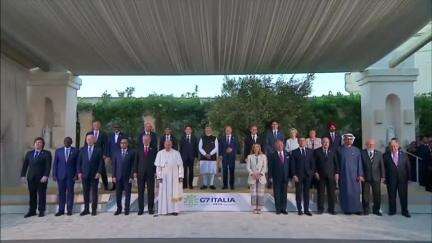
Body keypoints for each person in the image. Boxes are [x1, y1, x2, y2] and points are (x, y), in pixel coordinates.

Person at [20, 137, 52, 218]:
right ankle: (32, 211)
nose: (38, 144)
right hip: (31, 178)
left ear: (43, 144)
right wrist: (23, 175)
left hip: (41, 178)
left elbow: (48, 166)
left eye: (40, 142)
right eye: (36, 142)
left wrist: (46, 176)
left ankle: (41, 210)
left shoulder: (47, 153)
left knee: (41, 194)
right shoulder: (29, 153)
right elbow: (25, 166)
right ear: (34, 144)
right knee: (32, 195)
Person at [155, 140, 184, 216]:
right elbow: (158, 167)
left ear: (171, 145)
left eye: (169, 145)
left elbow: (180, 166)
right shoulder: (160, 153)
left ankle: (175, 210)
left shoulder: (176, 153)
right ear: (164, 145)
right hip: (164, 177)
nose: (168, 146)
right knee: (164, 194)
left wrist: (180, 176)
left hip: (175, 176)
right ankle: (164, 210)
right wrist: (159, 177)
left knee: (175, 193)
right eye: (166, 144)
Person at [77, 134, 104, 216]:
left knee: (94, 193)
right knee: (85, 193)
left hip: (94, 175)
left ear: (94, 140)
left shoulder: (98, 150)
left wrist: (99, 172)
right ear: (86, 140)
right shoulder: (82, 150)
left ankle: (94, 210)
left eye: (91, 139)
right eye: (87, 139)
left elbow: (101, 163)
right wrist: (79, 172)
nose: (89, 140)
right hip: (84, 175)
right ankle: (86, 209)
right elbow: (79, 162)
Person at [384, 138, 411, 217]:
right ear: (389, 146)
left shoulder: (404, 155)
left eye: (395, 146)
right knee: (392, 195)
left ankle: (405, 211)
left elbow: (408, 167)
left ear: (398, 145)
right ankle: (392, 211)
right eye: (392, 146)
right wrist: (384, 178)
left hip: (402, 179)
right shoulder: (385, 156)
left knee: (403, 195)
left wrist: (409, 178)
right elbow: (384, 168)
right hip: (391, 179)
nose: (393, 148)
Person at [338, 133, 364, 215]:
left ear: (352, 140)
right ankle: (347, 209)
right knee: (345, 192)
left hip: (355, 176)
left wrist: (360, 174)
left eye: (350, 139)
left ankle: (357, 209)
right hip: (344, 175)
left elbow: (360, 163)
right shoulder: (339, 150)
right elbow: (336, 163)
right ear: (344, 140)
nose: (348, 140)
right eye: (347, 139)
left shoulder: (357, 150)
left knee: (356, 193)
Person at [52, 137, 78, 216]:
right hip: (60, 176)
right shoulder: (58, 151)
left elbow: (77, 164)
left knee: (70, 193)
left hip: (71, 176)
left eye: (69, 141)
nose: (67, 142)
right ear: (64, 142)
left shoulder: (76, 151)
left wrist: (76, 174)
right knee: (61, 193)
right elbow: (55, 164)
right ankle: (61, 210)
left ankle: (69, 210)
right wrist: (54, 174)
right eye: (66, 141)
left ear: (71, 142)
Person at [314, 137, 338, 215]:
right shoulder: (317, 151)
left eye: (327, 142)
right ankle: (320, 209)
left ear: (329, 143)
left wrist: (337, 173)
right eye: (324, 142)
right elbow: (313, 164)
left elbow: (336, 163)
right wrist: (315, 172)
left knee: (331, 193)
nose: (325, 143)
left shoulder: (333, 151)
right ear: (321, 143)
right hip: (320, 176)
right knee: (320, 193)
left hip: (331, 175)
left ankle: (331, 209)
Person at [361, 139, 385, 216]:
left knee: (377, 194)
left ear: (374, 145)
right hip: (365, 177)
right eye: (369, 144)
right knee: (365, 195)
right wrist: (360, 175)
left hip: (376, 177)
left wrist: (383, 176)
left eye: (372, 144)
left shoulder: (379, 153)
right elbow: (360, 165)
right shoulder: (362, 153)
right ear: (366, 145)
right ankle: (366, 210)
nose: (371, 146)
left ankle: (376, 210)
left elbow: (382, 166)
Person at [291, 137, 315, 216]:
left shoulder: (310, 151)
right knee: (298, 193)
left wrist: (311, 173)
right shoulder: (294, 152)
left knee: (306, 193)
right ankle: (299, 210)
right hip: (298, 176)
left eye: (303, 141)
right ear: (298, 142)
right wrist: (294, 175)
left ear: (305, 142)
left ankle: (306, 210)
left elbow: (312, 164)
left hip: (308, 176)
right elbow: (292, 165)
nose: (302, 142)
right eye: (300, 141)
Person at [134, 135, 157, 215]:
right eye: (144, 140)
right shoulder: (138, 150)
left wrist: (155, 172)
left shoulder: (154, 150)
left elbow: (156, 163)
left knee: (151, 192)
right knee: (140, 192)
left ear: (150, 140)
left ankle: (150, 208)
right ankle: (141, 209)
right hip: (140, 174)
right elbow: (136, 162)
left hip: (150, 174)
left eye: (147, 140)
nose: (146, 141)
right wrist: (135, 172)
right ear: (142, 140)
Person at [84, 120, 110, 190]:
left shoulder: (103, 134)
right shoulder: (89, 133)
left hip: (101, 154)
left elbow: (106, 145)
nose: (96, 126)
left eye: (97, 124)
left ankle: (106, 185)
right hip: (91, 154)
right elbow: (85, 144)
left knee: (102, 170)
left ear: (99, 125)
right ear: (92, 125)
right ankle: (90, 186)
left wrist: (105, 154)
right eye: (94, 124)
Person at [112, 138, 135, 215]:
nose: (123, 144)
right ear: (120, 144)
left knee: (127, 194)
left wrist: (131, 176)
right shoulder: (116, 153)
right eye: (121, 143)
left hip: (128, 177)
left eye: (124, 143)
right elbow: (114, 165)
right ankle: (119, 209)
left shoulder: (131, 152)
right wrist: (113, 176)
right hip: (118, 177)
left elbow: (133, 166)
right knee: (118, 194)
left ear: (127, 144)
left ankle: (126, 209)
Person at [268, 140, 290, 215]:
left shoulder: (287, 154)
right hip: (276, 177)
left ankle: (283, 209)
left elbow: (289, 166)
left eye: (281, 145)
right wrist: (270, 177)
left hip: (285, 177)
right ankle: (278, 209)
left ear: (283, 145)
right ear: (275, 146)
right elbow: (270, 167)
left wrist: (289, 177)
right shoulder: (272, 155)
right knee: (277, 194)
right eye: (278, 145)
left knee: (284, 194)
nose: (280, 146)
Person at [246, 144, 267, 214]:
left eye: (258, 147)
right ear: (253, 148)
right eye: (255, 147)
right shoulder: (249, 157)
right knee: (254, 193)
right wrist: (252, 174)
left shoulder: (263, 156)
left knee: (260, 193)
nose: (256, 149)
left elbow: (265, 167)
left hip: (261, 177)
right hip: (253, 177)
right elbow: (248, 167)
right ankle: (254, 208)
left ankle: (259, 208)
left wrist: (260, 174)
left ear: (259, 148)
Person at [265, 121, 285, 189]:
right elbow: (267, 144)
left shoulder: (281, 134)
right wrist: (272, 151)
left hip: (279, 153)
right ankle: (269, 183)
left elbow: (282, 143)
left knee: (279, 168)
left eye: (275, 124)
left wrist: (279, 150)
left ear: (278, 125)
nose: (274, 125)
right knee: (270, 168)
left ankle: (278, 182)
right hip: (271, 154)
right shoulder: (268, 134)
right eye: (273, 124)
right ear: (271, 125)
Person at [219, 126, 239, 190]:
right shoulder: (222, 138)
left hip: (232, 157)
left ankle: (232, 185)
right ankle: (225, 185)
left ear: (231, 130)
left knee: (232, 171)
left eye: (229, 130)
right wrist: (220, 155)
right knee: (224, 171)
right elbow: (220, 147)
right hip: (224, 157)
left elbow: (237, 147)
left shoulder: (235, 138)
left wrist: (232, 149)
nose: (228, 131)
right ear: (225, 131)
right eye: (226, 130)